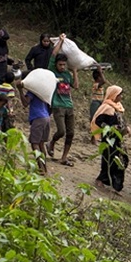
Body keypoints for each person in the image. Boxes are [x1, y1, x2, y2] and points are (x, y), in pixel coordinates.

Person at [48, 36, 78, 167]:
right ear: (56, 65)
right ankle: (52, 143)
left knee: (71, 133)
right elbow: (54, 54)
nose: (62, 67)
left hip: (69, 106)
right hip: (58, 106)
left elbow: (76, 86)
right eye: (60, 64)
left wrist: (75, 71)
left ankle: (64, 157)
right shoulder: (52, 71)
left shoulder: (67, 74)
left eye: (64, 65)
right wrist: (60, 40)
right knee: (61, 131)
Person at [92, 86, 128, 193]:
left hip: (118, 138)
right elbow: (98, 121)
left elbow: (121, 121)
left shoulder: (119, 107)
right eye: (119, 94)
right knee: (108, 157)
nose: (121, 97)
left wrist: (126, 127)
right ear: (113, 95)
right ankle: (101, 178)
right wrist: (109, 127)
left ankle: (116, 184)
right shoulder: (107, 107)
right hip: (109, 138)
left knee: (119, 158)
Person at [17, 80, 50, 173]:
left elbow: (25, 103)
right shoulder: (43, 91)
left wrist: (20, 90)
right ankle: (44, 168)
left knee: (34, 144)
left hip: (38, 118)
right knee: (41, 144)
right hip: (46, 117)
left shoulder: (32, 91)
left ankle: (41, 168)